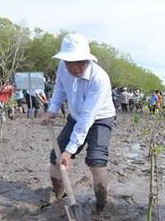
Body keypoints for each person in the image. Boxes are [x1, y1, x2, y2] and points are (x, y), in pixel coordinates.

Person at [41, 33, 116, 211]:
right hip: (75, 116)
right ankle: (60, 196)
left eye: (80, 62)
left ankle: (101, 205)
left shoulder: (99, 79)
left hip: (100, 118)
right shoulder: (62, 67)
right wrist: (52, 110)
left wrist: (70, 151)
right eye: (70, 62)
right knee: (56, 158)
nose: (75, 67)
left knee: (96, 161)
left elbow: (87, 117)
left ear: (87, 59)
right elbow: (60, 88)